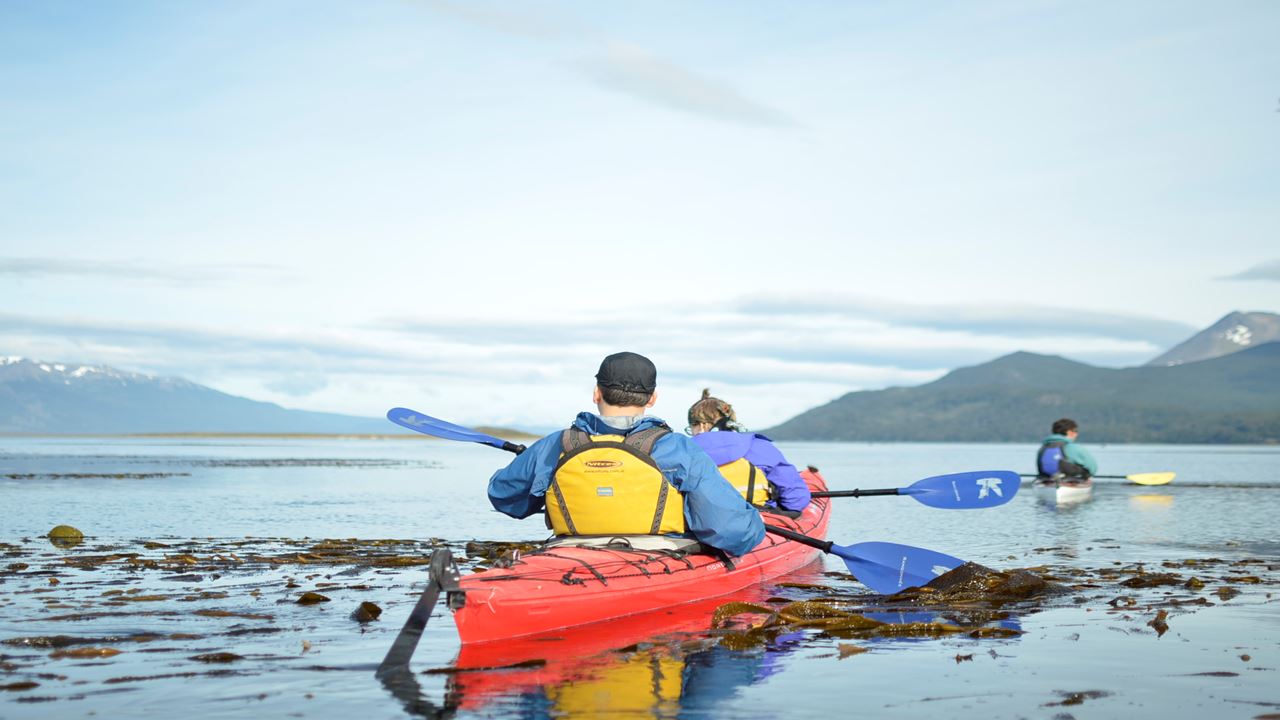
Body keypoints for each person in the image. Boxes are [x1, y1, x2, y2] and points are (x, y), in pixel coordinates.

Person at [487, 352, 765, 557]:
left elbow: (504, 497)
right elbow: (731, 531)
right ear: (652, 398)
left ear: (596, 393)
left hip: (568, 552)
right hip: (663, 555)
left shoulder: (556, 444)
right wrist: (755, 526)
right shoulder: (678, 448)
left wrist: (538, 470)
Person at [686, 389, 811, 513]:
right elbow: (796, 499)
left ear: (701, 426)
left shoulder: (681, 452)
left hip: (698, 519)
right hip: (757, 518)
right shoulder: (758, 447)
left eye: (691, 428)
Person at [1035, 417, 1098, 482]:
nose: (1077, 434)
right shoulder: (1073, 447)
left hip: (1045, 480)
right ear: (1069, 432)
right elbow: (1093, 469)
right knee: (1086, 472)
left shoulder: (1042, 448)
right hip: (1069, 481)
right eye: (1076, 431)